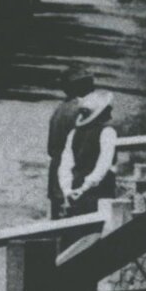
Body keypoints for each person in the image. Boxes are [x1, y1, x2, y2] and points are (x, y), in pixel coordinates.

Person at [55, 87, 119, 219]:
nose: (110, 115)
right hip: (98, 192)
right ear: (101, 113)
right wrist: (85, 187)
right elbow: (103, 165)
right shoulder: (108, 133)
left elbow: (65, 165)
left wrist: (67, 190)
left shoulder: (74, 134)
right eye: (108, 111)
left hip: (75, 189)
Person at [45, 68, 97, 217]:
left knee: (58, 220)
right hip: (71, 173)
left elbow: (51, 148)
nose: (93, 89)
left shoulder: (61, 109)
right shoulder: (81, 112)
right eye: (89, 84)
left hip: (57, 171)